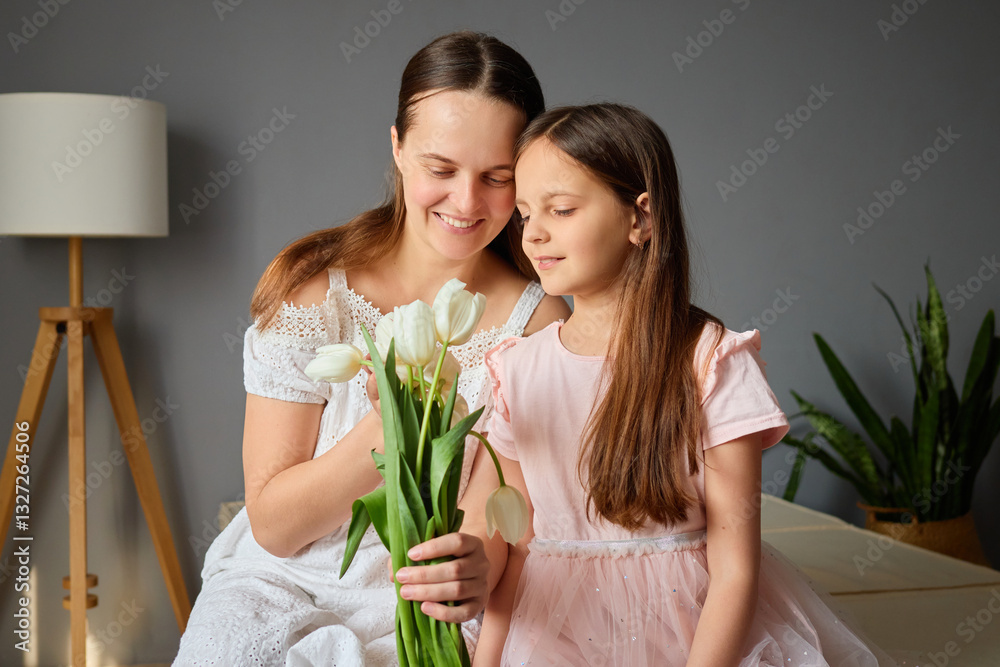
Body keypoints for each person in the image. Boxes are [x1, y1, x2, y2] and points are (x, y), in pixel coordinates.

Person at [173, 31, 570, 666]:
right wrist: (391, 432)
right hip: (282, 584)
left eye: (497, 177)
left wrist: (476, 567)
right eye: (441, 169)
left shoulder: (536, 321)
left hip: (423, 605)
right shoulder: (313, 294)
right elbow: (275, 526)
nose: (467, 203)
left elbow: (499, 509)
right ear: (398, 148)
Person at [471, 103, 900, 666]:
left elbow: (734, 571)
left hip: (697, 637)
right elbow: (521, 552)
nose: (535, 234)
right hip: (558, 638)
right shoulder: (517, 370)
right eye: (526, 214)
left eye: (563, 209)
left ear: (641, 217)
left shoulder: (710, 361)